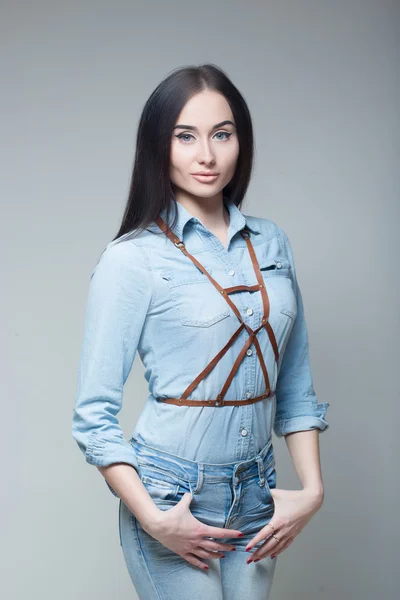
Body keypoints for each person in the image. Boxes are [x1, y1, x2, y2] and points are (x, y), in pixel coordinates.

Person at [72, 63, 330, 600]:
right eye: (184, 136)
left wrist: (312, 491)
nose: (206, 155)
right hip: (171, 498)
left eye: (222, 134)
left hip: (258, 496)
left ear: (242, 140)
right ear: (157, 147)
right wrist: (152, 518)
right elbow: (94, 417)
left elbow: (296, 386)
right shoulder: (132, 259)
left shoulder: (272, 243)